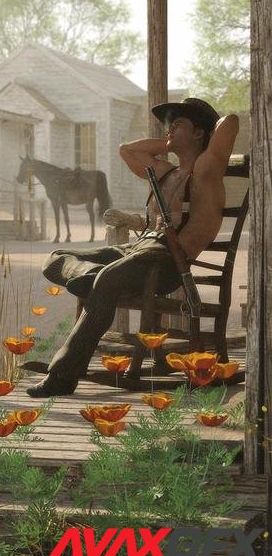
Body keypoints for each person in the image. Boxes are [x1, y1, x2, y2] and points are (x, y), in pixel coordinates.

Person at [26, 98, 239, 398]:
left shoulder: (206, 171)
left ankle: (62, 374)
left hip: (166, 261)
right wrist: (170, 143)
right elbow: (127, 150)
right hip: (136, 249)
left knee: (107, 279)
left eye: (179, 123)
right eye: (170, 123)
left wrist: (198, 130)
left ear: (200, 133)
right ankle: (92, 278)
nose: (170, 127)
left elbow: (229, 122)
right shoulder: (165, 171)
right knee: (57, 258)